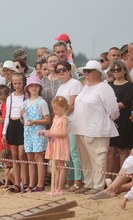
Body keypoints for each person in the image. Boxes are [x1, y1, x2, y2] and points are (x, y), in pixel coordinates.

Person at [71, 60, 119, 195]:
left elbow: (113, 110)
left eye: (89, 71)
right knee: (85, 159)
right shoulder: (86, 87)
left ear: (98, 73)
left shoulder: (104, 88)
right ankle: (89, 183)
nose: (86, 73)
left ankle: (98, 185)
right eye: (85, 71)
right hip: (80, 128)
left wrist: (103, 121)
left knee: (98, 158)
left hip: (97, 129)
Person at [55, 61, 83, 192]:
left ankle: (78, 181)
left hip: (72, 121)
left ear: (69, 70)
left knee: (74, 152)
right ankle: (70, 180)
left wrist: (61, 119)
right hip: (63, 122)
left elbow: (71, 105)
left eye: (63, 69)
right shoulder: (61, 87)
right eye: (58, 70)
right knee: (67, 154)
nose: (61, 72)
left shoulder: (75, 83)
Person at [107, 60, 133, 177]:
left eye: (119, 69)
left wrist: (110, 105)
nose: (116, 72)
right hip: (110, 120)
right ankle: (108, 177)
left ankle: (122, 177)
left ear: (124, 70)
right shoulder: (109, 85)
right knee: (110, 150)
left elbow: (125, 103)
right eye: (114, 70)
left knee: (123, 149)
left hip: (124, 120)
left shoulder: (129, 85)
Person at [21, 76, 50, 192]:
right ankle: (31, 183)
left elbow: (47, 120)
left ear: (39, 88)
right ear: (27, 88)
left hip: (38, 132)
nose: (33, 88)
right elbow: (23, 121)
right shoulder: (25, 103)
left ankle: (40, 183)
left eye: (36, 86)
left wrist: (35, 122)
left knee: (39, 157)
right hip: (28, 132)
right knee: (30, 158)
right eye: (31, 86)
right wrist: (20, 115)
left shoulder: (42, 102)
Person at [2, 72, 28, 193]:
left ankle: (25, 182)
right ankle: (17, 183)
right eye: (15, 83)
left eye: (19, 83)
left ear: (23, 83)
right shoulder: (10, 97)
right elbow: (7, 115)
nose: (17, 86)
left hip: (22, 125)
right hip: (12, 125)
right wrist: (4, 132)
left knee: (22, 155)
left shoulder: (26, 97)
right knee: (15, 157)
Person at [43, 96, 70, 196]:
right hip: (54, 142)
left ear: (63, 107)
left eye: (56, 109)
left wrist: (51, 134)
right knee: (57, 166)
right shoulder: (55, 118)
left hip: (61, 143)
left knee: (61, 165)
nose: (54, 111)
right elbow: (53, 130)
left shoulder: (64, 119)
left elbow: (64, 133)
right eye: (54, 109)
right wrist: (45, 132)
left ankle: (60, 188)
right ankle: (56, 187)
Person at [41, 54, 62, 118]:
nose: (53, 63)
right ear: (47, 65)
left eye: (55, 61)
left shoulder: (63, 79)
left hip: (61, 116)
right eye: (50, 62)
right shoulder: (42, 81)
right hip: (47, 116)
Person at [0, 85, 10, 157]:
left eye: (4, 99)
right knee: (2, 153)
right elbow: (0, 113)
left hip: (8, 129)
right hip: (1, 129)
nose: (3, 101)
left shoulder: (10, 103)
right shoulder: (2, 104)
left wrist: (4, 120)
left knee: (8, 152)